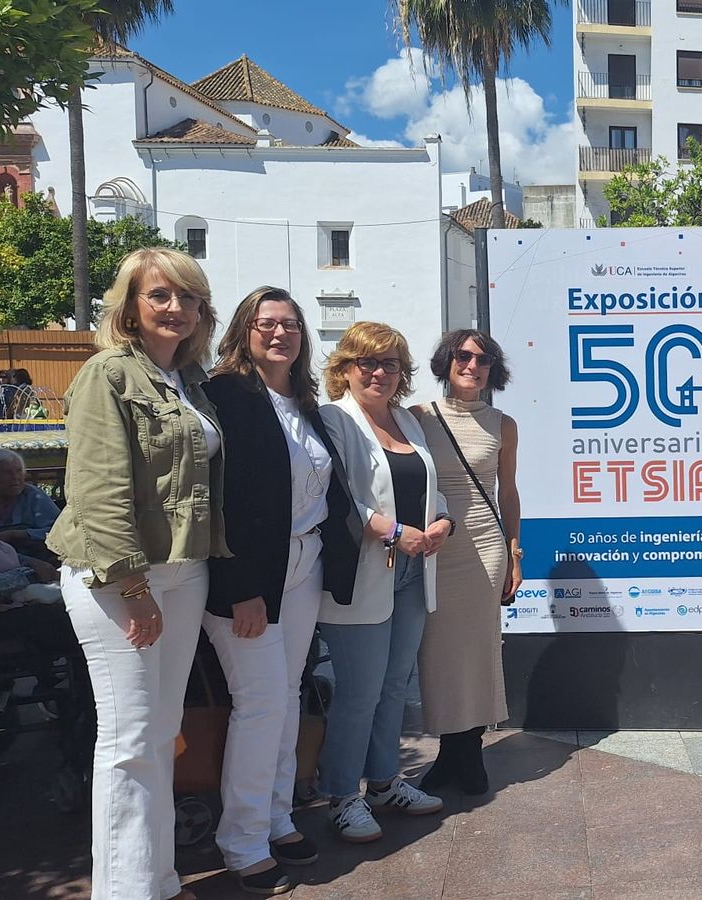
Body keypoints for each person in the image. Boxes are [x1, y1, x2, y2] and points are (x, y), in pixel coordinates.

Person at [45, 246, 227, 900]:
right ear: (130, 304)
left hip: (184, 569)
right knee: (127, 741)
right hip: (119, 578)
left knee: (160, 734)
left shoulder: (190, 381)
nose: (177, 308)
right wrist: (133, 585)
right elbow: (96, 490)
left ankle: (156, 878)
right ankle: (124, 890)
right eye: (160, 295)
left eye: (189, 297)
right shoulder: (107, 374)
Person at [199, 287, 361, 893]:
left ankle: (275, 816)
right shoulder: (225, 399)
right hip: (249, 576)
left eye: (290, 325)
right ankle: (241, 843)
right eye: (267, 324)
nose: (280, 334)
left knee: (287, 695)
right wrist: (241, 587)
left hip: (305, 565)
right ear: (244, 331)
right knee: (262, 699)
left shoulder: (307, 405)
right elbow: (221, 501)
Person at [317, 322, 453, 842]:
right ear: (345, 369)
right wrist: (395, 532)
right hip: (365, 571)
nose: (378, 372)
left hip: (414, 571)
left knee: (395, 685)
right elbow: (340, 499)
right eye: (366, 363)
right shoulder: (335, 419)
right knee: (359, 691)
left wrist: (443, 522)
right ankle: (341, 794)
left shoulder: (407, 422)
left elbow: (428, 489)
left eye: (390, 363)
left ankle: (383, 782)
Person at [412, 330, 521, 794]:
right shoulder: (418, 416)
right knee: (437, 652)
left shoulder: (503, 423)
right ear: (446, 361)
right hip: (437, 545)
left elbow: (508, 492)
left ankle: (466, 754)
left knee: (477, 650)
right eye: (463, 356)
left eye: (483, 360)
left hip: (486, 544)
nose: (473, 366)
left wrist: (515, 553)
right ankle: (452, 750)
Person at [0, 448, 62, 558]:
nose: (16, 477)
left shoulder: (32, 496)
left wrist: (16, 534)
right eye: (6, 473)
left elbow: (60, 531)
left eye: (19, 471)